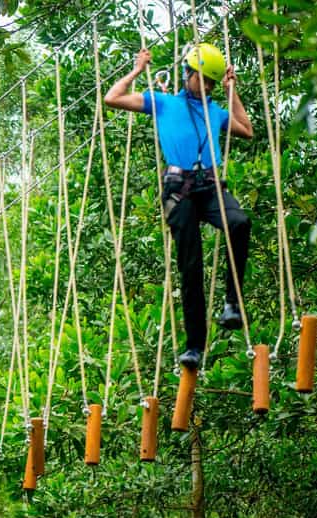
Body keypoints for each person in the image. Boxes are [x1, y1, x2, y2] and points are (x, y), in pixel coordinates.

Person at [104, 44, 254, 370]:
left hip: (209, 187)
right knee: (191, 266)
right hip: (180, 191)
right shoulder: (163, 103)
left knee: (239, 222)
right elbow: (112, 98)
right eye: (205, 80)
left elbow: (246, 130)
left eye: (213, 82)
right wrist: (137, 70)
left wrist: (231, 92)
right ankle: (194, 346)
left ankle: (232, 304)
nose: (208, 87)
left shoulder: (216, 111)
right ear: (188, 74)